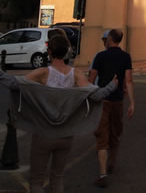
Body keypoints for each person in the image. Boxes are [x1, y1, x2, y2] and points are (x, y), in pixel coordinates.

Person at [0, 34, 116, 193]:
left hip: (43, 134)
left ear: (49, 52)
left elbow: (15, 84)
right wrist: (112, 85)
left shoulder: (42, 73)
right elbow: (96, 95)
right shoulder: (75, 74)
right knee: (58, 178)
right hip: (65, 135)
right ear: (66, 52)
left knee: (36, 181)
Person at [89, 28, 134, 188]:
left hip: (102, 101)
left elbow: (92, 78)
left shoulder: (100, 56)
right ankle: (112, 162)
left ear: (109, 39)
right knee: (115, 134)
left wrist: (88, 97)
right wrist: (132, 103)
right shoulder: (126, 57)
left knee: (102, 137)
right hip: (118, 101)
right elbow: (128, 81)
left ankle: (102, 174)